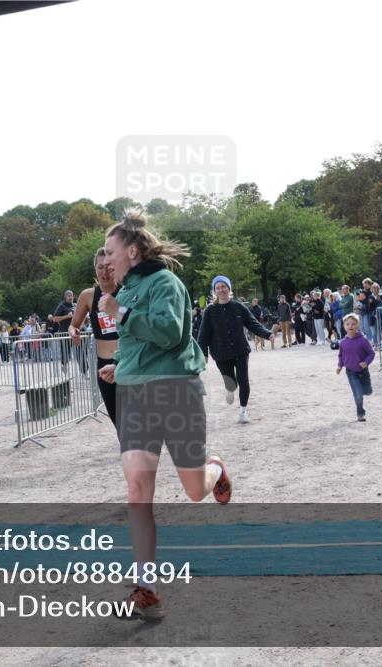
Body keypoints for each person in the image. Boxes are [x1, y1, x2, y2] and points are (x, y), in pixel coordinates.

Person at [98, 208, 232, 619]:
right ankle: (147, 587)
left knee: (194, 491)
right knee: (137, 491)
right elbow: (140, 343)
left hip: (177, 391)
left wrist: (119, 312)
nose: (105, 258)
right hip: (136, 397)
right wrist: (120, 363)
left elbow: (171, 333)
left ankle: (216, 469)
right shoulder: (127, 289)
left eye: (110, 250)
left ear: (133, 251)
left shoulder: (165, 283)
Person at [197, 275, 275, 424]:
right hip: (221, 352)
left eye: (223, 286)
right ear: (214, 291)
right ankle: (230, 388)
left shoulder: (239, 307)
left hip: (240, 350)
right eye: (217, 288)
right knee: (231, 382)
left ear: (229, 288)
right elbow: (203, 335)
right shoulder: (210, 311)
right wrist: (203, 354)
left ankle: (243, 411)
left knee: (243, 380)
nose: (221, 290)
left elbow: (253, 324)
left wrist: (268, 334)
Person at [69, 248, 121, 426]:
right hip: (104, 364)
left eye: (109, 267)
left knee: (136, 416)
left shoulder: (127, 292)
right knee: (117, 418)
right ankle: (130, 453)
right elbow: (74, 325)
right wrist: (73, 332)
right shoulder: (88, 296)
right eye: (100, 267)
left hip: (127, 361)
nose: (105, 272)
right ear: (95, 269)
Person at [336, 313, 375, 422]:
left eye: (353, 324)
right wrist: (340, 366)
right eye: (348, 324)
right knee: (358, 393)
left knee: (367, 392)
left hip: (363, 371)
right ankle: (360, 414)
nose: (350, 326)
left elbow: (371, 353)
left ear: (357, 325)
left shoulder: (363, 340)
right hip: (351, 372)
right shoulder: (342, 342)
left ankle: (363, 392)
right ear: (344, 326)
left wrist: (366, 362)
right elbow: (341, 356)